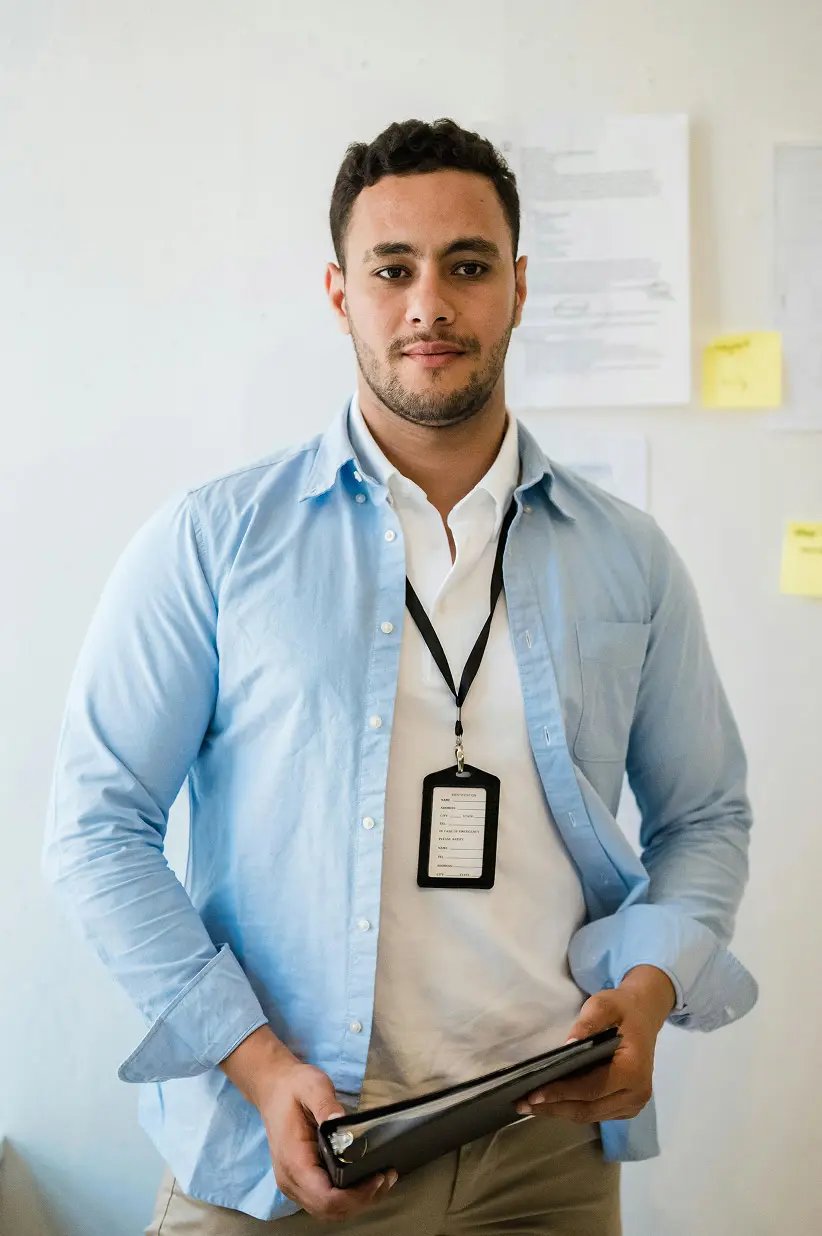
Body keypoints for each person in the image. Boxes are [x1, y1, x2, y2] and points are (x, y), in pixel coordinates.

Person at [42, 117, 758, 1235]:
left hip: (546, 1157)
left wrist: (652, 991)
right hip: (288, 1149)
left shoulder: (629, 556)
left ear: (519, 288)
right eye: (392, 269)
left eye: (468, 266)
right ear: (340, 294)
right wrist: (257, 1063)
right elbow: (96, 826)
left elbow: (705, 816)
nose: (430, 303)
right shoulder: (213, 542)